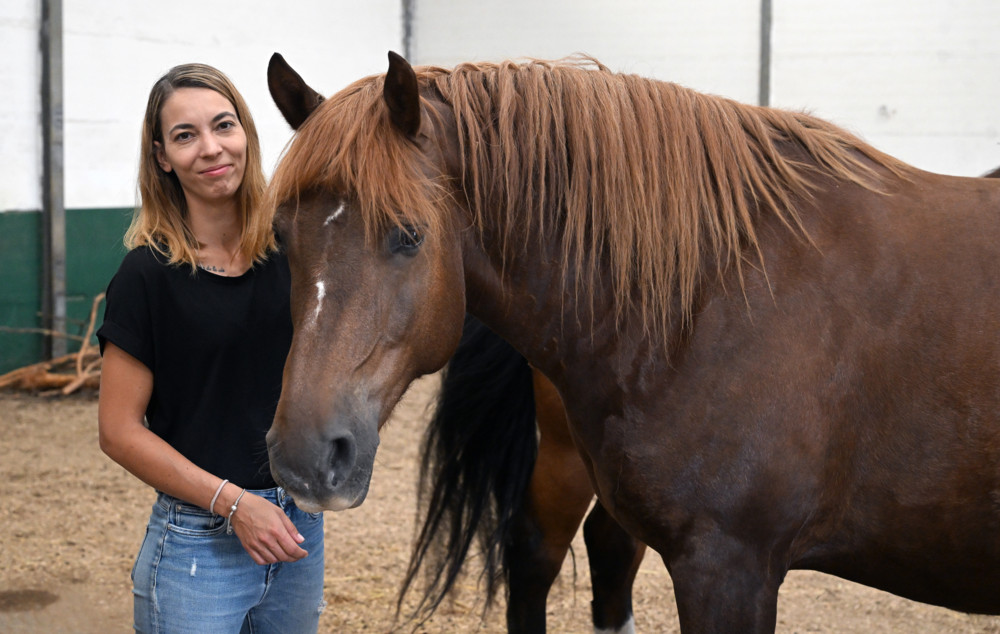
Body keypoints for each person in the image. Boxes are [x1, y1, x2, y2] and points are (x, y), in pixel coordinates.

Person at [97, 63, 325, 633]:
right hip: (198, 545)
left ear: (246, 132)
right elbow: (119, 431)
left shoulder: (293, 251)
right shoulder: (146, 275)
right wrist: (234, 504)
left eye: (223, 126)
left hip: (296, 528)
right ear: (161, 157)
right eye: (184, 136)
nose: (210, 148)